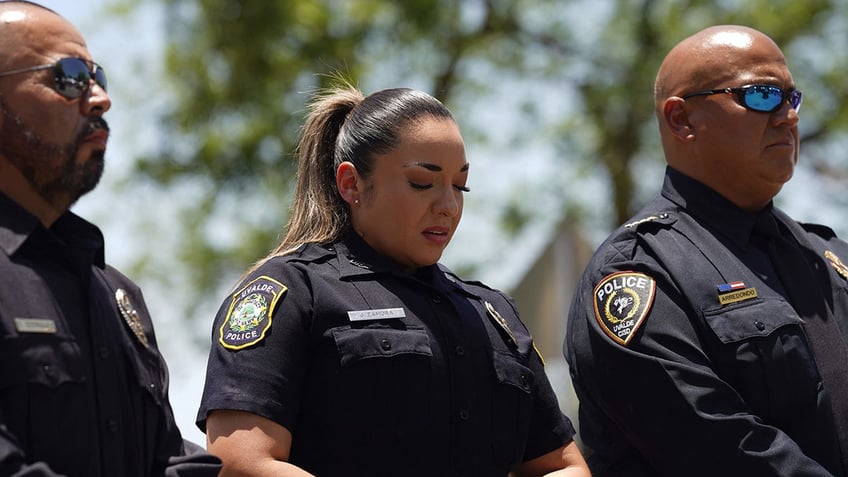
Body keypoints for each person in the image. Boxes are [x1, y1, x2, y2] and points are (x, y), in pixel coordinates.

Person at [196, 84, 590, 477]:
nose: (448, 206)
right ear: (351, 184)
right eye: (423, 183)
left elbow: (564, 466)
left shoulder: (494, 316)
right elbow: (240, 463)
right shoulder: (293, 293)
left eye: (460, 186)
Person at [565, 24, 848, 476]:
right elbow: (722, 450)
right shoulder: (638, 273)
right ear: (682, 120)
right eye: (760, 96)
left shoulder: (830, 256)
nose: (788, 117)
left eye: (791, 99)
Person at [0, 2, 221, 476]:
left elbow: (162, 457)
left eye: (99, 78)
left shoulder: (116, 294)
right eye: (70, 76)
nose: (99, 98)